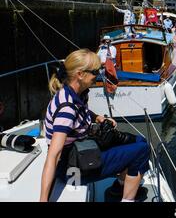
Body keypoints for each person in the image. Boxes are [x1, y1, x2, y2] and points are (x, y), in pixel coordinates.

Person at [40, 49, 150, 202]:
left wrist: (97, 117)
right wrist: (43, 199)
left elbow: (81, 110)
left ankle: (119, 188)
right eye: (95, 71)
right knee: (142, 150)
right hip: (73, 169)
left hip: (79, 153)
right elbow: (53, 155)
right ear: (80, 74)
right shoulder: (66, 109)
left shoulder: (75, 92)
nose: (98, 75)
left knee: (140, 141)